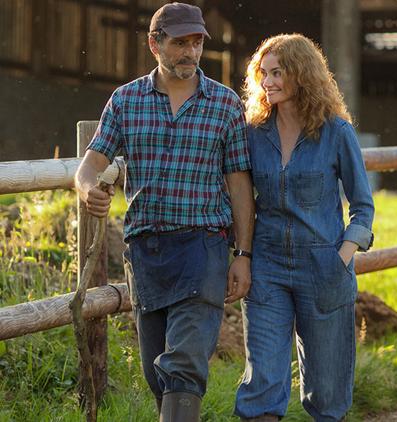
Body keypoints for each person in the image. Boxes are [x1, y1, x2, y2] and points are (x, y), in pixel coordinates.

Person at [74, 3, 253, 421]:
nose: (191, 52)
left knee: (184, 364)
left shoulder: (224, 105)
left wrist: (242, 255)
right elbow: (90, 165)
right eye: (180, 43)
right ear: (155, 44)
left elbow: (240, 186)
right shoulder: (126, 100)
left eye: (196, 42)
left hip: (204, 248)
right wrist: (87, 191)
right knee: (157, 373)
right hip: (146, 252)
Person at [234, 34, 375, 422]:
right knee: (262, 380)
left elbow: (363, 208)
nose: (268, 82)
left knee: (326, 394)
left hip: (324, 267)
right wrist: (241, 256)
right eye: (263, 74)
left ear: (302, 73)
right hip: (268, 267)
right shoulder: (252, 134)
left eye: (277, 72)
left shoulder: (336, 133)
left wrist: (341, 257)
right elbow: (239, 193)